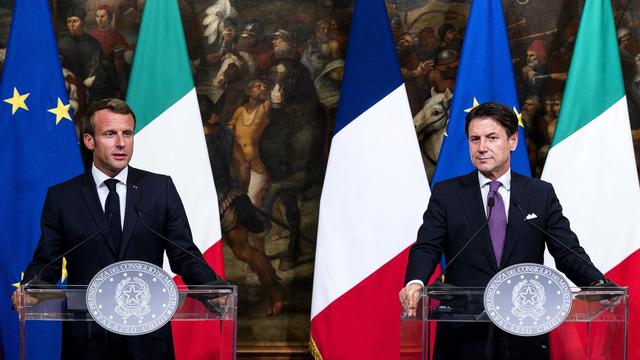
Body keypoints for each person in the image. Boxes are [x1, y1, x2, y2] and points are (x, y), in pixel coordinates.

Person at [399, 102, 610, 359]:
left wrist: (598, 283)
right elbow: (428, 245)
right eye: (474, 139)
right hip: (463, 330)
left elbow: (566, 250)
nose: (482, 147)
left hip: (523, 328)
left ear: (512, 141)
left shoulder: (539, 194)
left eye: (491, 138)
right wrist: (415, 281)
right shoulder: (447, 193)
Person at [12, 99, 220, 359]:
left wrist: (213, 287)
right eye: (110, 134)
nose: (121, 143)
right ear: (90, 141)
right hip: (87, 340)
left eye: (127, 133)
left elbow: (183, 253)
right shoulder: (63, 197)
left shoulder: (159, 189)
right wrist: (31, 287)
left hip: (147, 340)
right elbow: (48, 262)